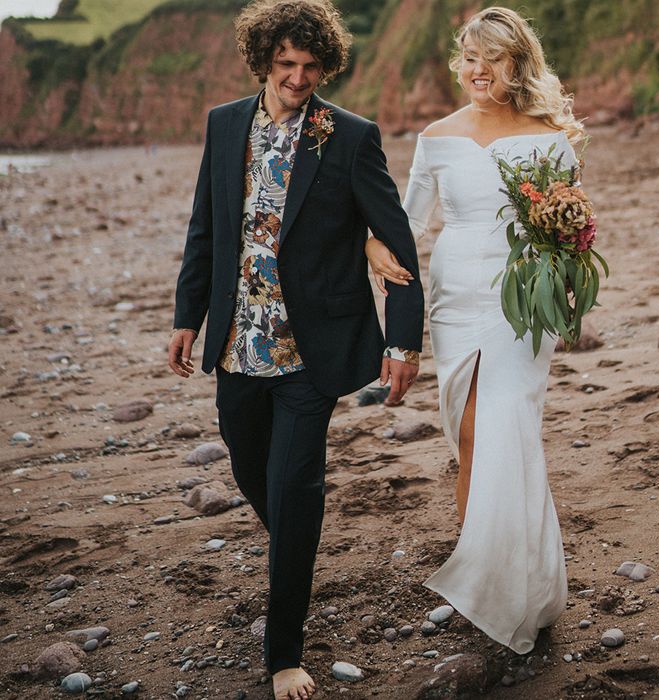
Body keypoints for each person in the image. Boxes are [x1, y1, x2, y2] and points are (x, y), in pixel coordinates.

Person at [168, 1, 424, 698]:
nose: (299, 77)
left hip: (310, 352)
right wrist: (187, 314)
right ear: (262, 62)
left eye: (312, 67)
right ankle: (297, 541)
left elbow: (395, 244)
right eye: (286, 65)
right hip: (236, 347)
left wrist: (404, 339)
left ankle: (284, 654)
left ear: (327, 65)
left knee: (294, 487)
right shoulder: (225, 125)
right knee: (260, 479)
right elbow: (206, 226)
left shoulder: (349, 135)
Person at [364, 7, 584, 654]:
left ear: (517, 64)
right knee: (467, 431)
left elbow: (571, 231)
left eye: (493, 58)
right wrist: (373, 247)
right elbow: (409, 223)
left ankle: (497, 587)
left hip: (522, 298)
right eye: (469, 58)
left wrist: (564, 282)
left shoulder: (551, 140)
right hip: (455, 297)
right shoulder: (436, 137)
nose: (479, 70)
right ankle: (491, 580)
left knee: (506, 424)